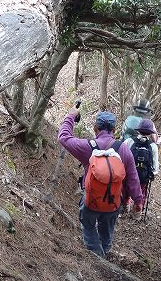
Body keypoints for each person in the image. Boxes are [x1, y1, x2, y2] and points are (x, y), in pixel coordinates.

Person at [58, 110, 144, 257]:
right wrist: (138, 201)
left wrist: (71, 116)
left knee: (89, 226)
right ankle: (104, 255)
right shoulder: (123, 149)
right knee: (107, 232)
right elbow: (133, 178)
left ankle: (96, 257)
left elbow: (63, 137)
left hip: (91, 200)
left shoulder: (87, 147)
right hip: (113, 202)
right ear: (114, 130)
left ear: (95, 128)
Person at [123, 118, 160, 200]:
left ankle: (125, 204)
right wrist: (153, 174)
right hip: (143, 178)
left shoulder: (129, 141)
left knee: (125, 192)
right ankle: (137, 207)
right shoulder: (153, 146)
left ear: (138, 130)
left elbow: (122, 157)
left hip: (128, 176)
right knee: (141, 195)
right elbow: (155, 168)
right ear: (150, 133)